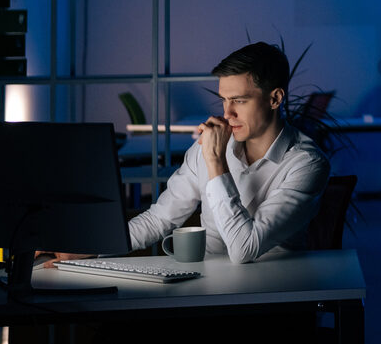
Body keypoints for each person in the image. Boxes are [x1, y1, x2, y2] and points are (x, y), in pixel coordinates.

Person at [41, 41, 331, 265]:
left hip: (276, 297)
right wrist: (90, 247)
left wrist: (216, 163)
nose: (227, 113)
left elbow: (245, 249)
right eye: (224, 100)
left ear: (275, 98)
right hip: (208, 287)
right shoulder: (208, 146)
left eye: (239, 101)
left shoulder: (306, 163)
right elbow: (159, 219)